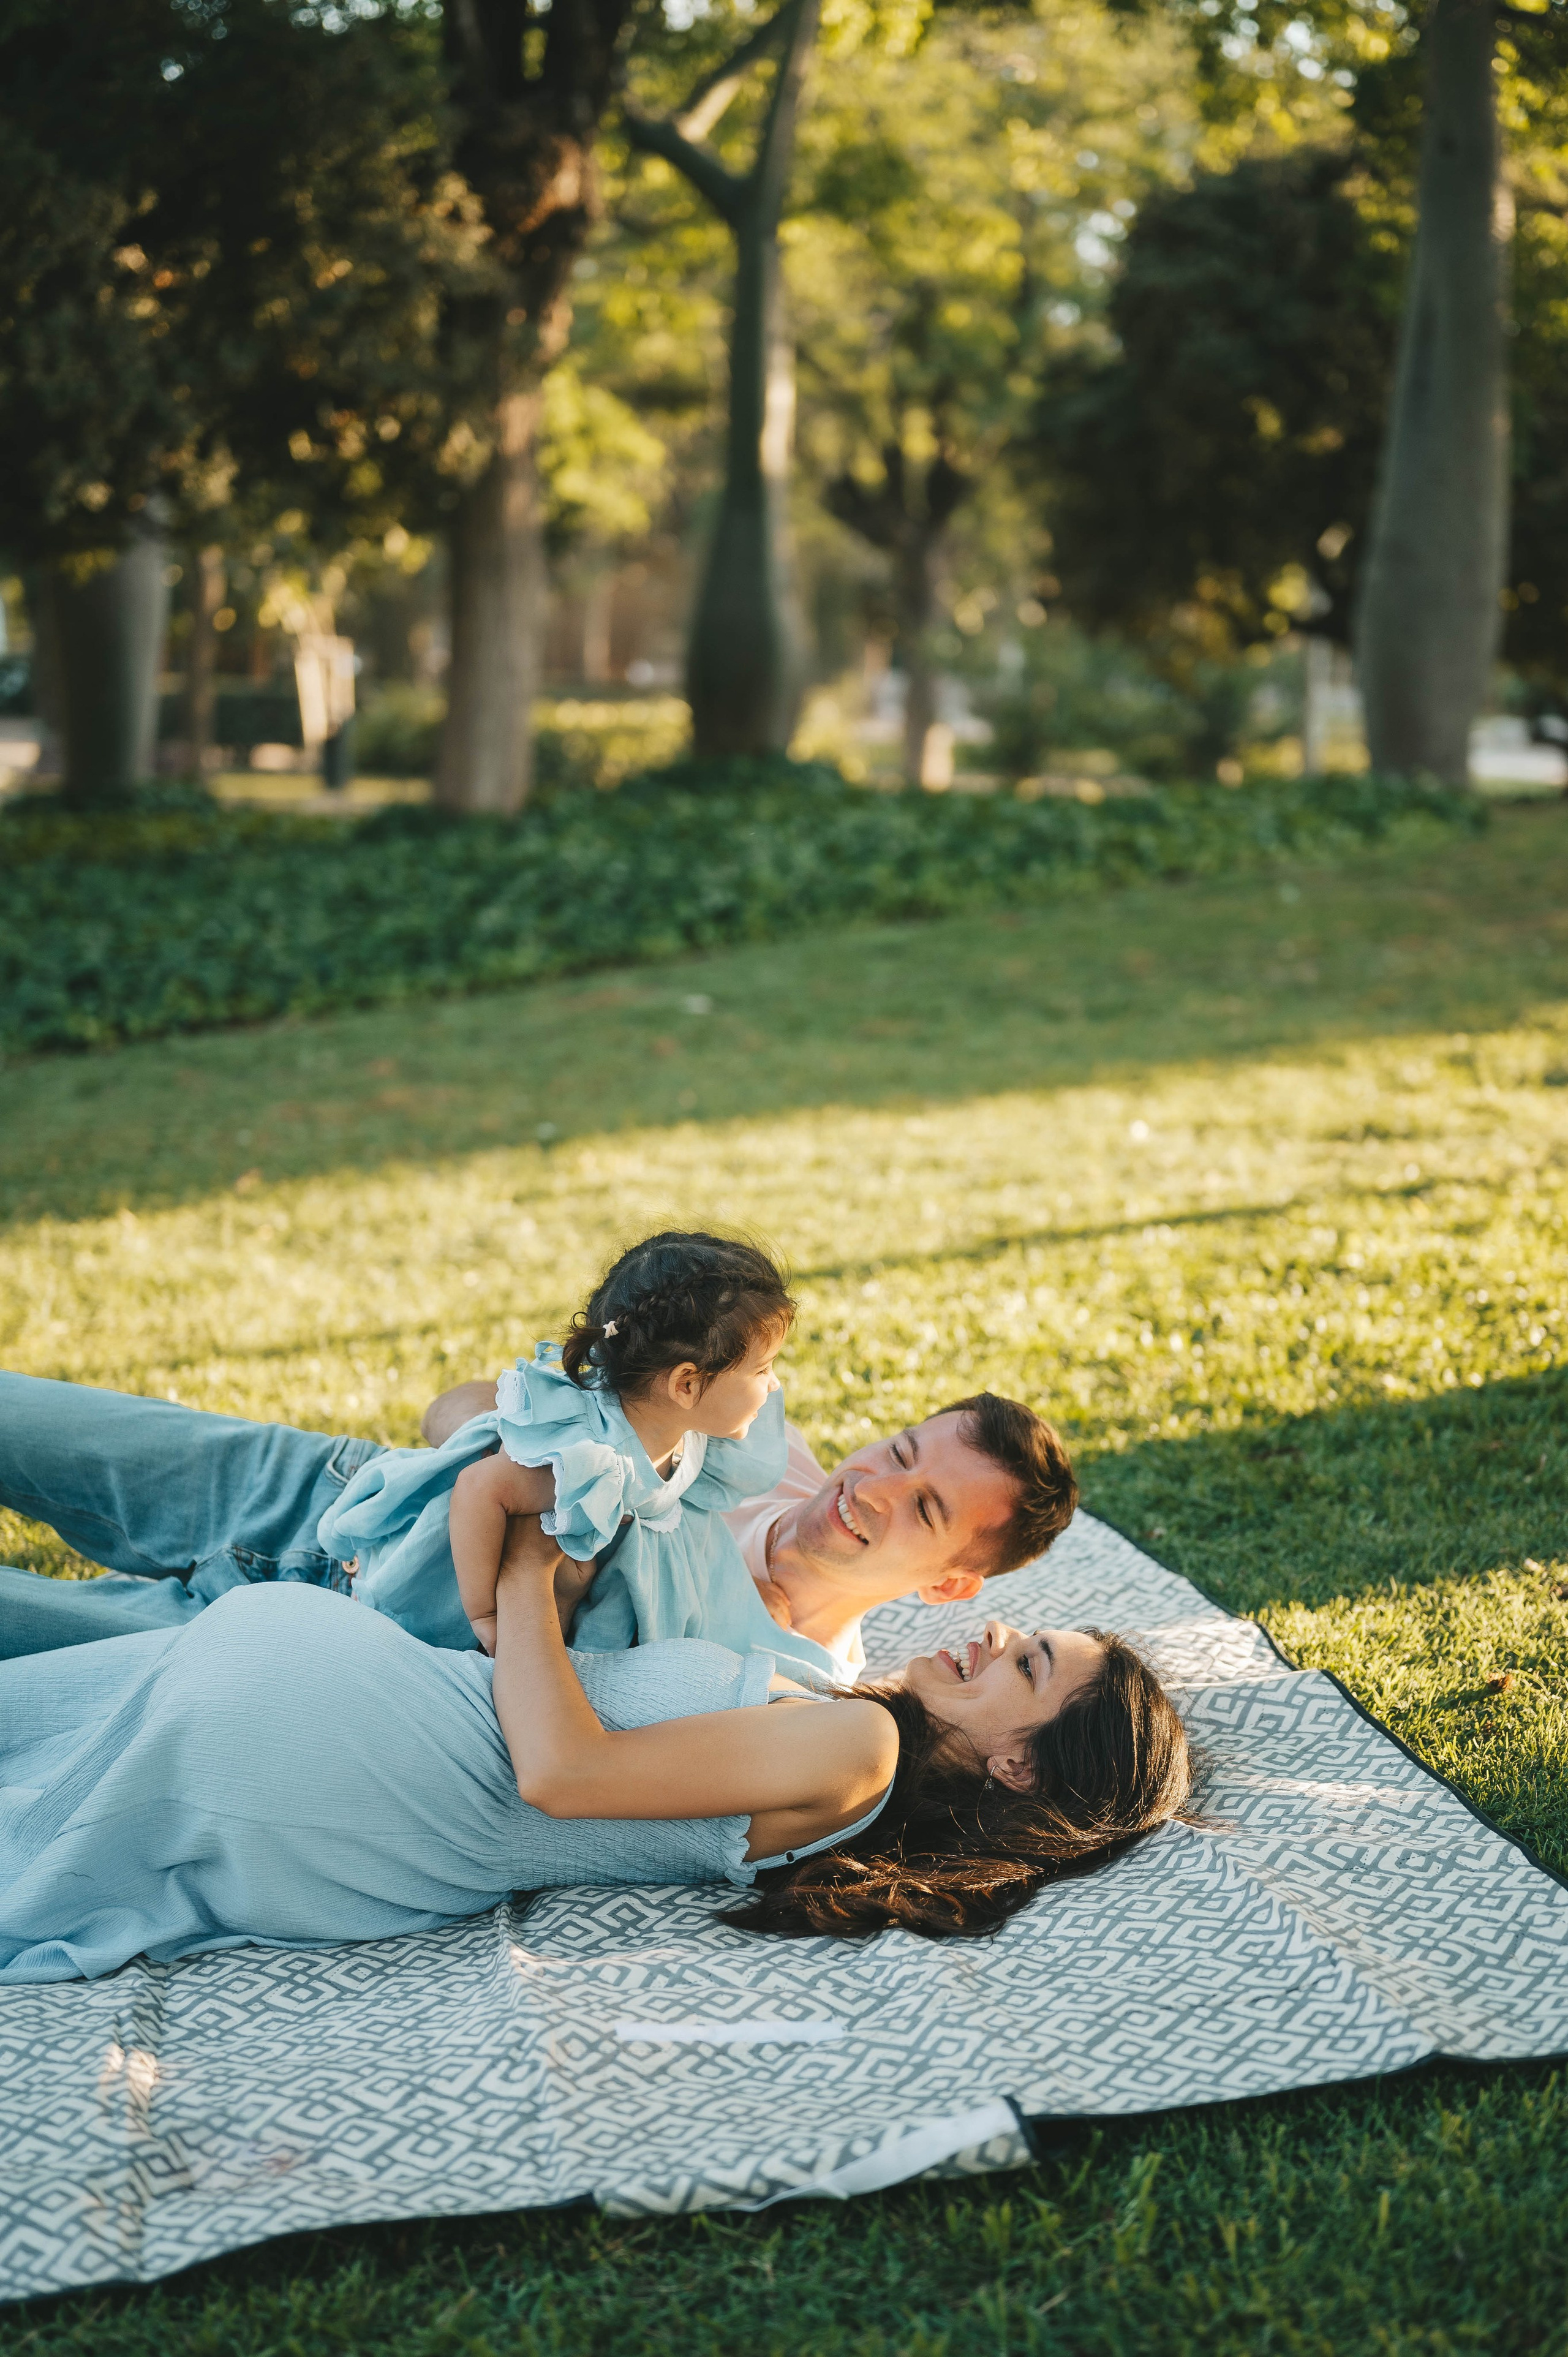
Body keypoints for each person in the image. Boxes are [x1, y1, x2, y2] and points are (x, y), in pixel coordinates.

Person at [0, 1507, 1193, 1982]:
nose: (993, 1632)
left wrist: (526, 1564)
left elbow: (563, 1770)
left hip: (327, 1764)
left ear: (1018, 1764)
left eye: (1026, 1663)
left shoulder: (855, 1756)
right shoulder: (839, 1719)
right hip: (300, 1745)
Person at [319, 1230, 809, 1665]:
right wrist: (486, 1614)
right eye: (763, 1370)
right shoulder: (589, 1455)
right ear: (685, 1385)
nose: (774, 1383)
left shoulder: (676, 1426)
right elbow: (477, 1489)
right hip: (448, 1594)